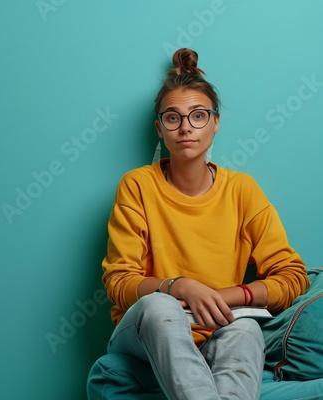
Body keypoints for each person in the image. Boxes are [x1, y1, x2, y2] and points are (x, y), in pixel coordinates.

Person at [99, 48, 310, 399]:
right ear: (159, 128)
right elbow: (118, 281)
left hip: (219, 324)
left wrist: (227, 297)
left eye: (198, 116)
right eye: (173, 118)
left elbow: (292, 276)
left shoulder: (242, 190)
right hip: (144, 330)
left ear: (215, 122)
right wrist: (178, 287)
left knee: (246, 329)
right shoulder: (137, 185)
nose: (186, 128)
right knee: (160, 308)